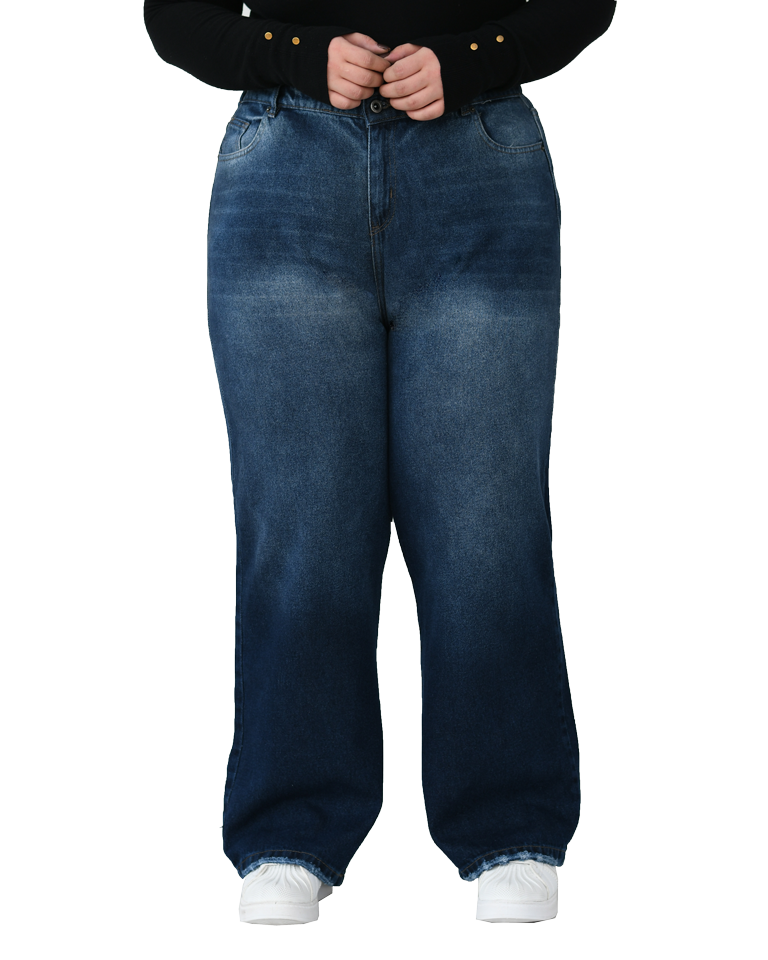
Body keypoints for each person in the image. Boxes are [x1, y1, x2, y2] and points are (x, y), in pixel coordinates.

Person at [143, 0, 617, 926]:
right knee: (301, 527)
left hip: (479, 159)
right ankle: (291, 829)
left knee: (487, 523)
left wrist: (472, 57)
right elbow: (175, 14)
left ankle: (509, 824)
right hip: (286, 164)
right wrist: (296, 52)